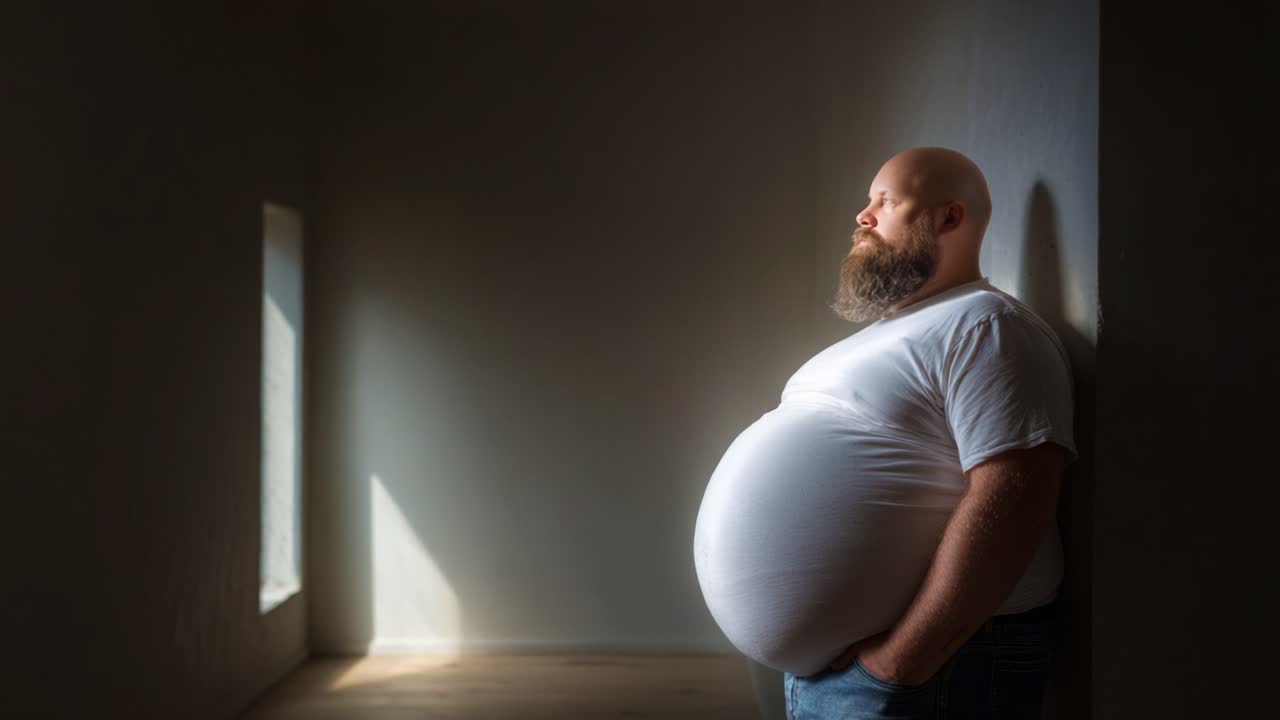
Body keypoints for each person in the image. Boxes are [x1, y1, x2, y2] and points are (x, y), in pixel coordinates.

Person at [782, 147, 1077, 718]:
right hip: (854, 671)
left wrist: (899, 663)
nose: (862, 216)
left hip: (937, 670)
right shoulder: (904, 330)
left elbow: (1015, 499)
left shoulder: (987, 325)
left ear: (949, 218)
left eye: (886, 201)